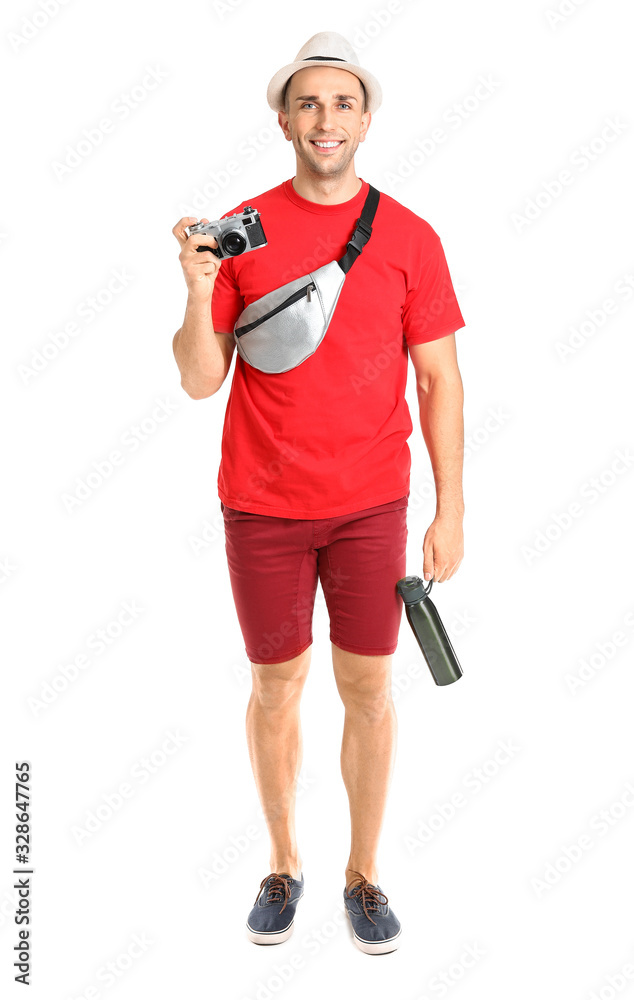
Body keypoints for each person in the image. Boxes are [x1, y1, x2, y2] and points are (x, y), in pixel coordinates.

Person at [171, 31, 466, 955]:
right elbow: (196, 380)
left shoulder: (411, 236)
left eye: (342, 104)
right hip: (260, 502)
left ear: (366, 120)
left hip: (372, 502)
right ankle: (284, 863)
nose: (325, 119)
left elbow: (440, 382)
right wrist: (196, 287)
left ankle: (365, 875)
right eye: (308, 104)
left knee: (369, 690)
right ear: (285, 120)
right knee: (276, 685)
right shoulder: (239, 230)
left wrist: (449, 508)